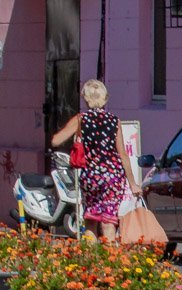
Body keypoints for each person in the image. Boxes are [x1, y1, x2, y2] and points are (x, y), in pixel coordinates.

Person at [51, 79, 141, 240]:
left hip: (91, 177)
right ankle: (110, 260)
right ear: (105, 98)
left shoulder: (81, 119)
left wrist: (76, 140)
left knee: (90, 220)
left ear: (85, 98)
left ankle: (91, 260)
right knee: (108, 222)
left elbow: (56, 141)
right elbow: (123, 155)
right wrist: (133, 184)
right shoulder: (114, 121)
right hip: (113, 177)